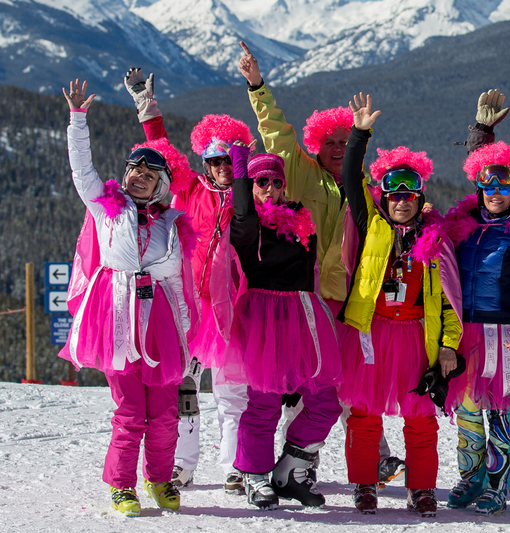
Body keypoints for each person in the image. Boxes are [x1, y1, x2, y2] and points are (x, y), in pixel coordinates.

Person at [237, 41, 406, 484]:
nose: (335, 148)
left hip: (346, 301)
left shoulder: (362, 188)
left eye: (343, 143)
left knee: (338, 387)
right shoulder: (298, 173)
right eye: (329, 141)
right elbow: (275, 134)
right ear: (316, 144)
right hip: (302, 299)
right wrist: (258, 86)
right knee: (287, 389)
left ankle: (309, 464)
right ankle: (277, 470)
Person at [59, 79, 198, 517]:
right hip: (116, 317)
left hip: (158, 321)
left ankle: (158, 478)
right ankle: (122, 486)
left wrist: (186, 331)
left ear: (160, 184)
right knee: (130, 411)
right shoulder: (107, 207)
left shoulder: (170, 224)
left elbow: (176, 284)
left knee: (163, 412)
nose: (139, 177)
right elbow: (82, 171)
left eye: (149, 174)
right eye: (134, 170)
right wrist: (77, 120)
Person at [123, 68, 254, 495]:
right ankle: (182, 465)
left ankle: (236, 465)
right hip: (187, 309)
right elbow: (160, 152)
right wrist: (148, 108)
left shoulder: (247, 199)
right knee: (185, 390)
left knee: (234, 392)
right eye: (213, 161)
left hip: (233, 308)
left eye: (227, 160)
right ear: (205, 163)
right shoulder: (189, 191)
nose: (220, 168)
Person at [337, 93, 463, 517]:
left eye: (411, 192)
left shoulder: (434, 239)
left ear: (420, 197)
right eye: (394, 191)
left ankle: (422, 488)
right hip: (370, 332)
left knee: (422, 416)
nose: (402, 199)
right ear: (384, 196)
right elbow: (351, 180)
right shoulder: (369, 223)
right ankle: (364, 483)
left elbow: (449, 302)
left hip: (415, 335)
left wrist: (448, 346)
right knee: (363, 414)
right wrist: (359, 133)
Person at [215, 145, 343, 510]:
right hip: (265, 322)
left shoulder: (301, 217)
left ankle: (290, 469)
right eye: (260, 182)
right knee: (264, 405)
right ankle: (255, 475)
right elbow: (241, 210)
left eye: (275, 181)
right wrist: (239, 163)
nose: (268, 188)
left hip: (304, 318)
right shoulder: (246, 225)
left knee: (325, 402)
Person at [443, 139, 510, 515]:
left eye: (503, 187)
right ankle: (470, 476)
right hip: (468, 333)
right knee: (468, 410)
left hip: (506, 336)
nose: (495, 194)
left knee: (501, 413)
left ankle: (497, 484)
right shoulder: (463, 229)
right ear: (479, 190)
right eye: (488, 187)